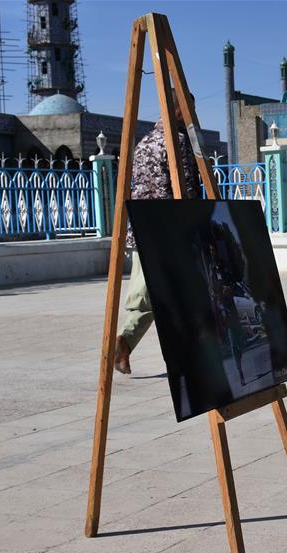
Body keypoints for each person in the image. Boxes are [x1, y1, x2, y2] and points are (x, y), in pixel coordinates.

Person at [114, 90, 199, 374]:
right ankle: (187, 355)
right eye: (188, 108)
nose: (193, 114)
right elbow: (187, 188)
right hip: (171, 230)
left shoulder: (145, 142)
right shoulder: (179, 142)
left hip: (143, 229)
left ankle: (125, 342)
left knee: (148, 291)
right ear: (177, 110)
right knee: (182, 292)